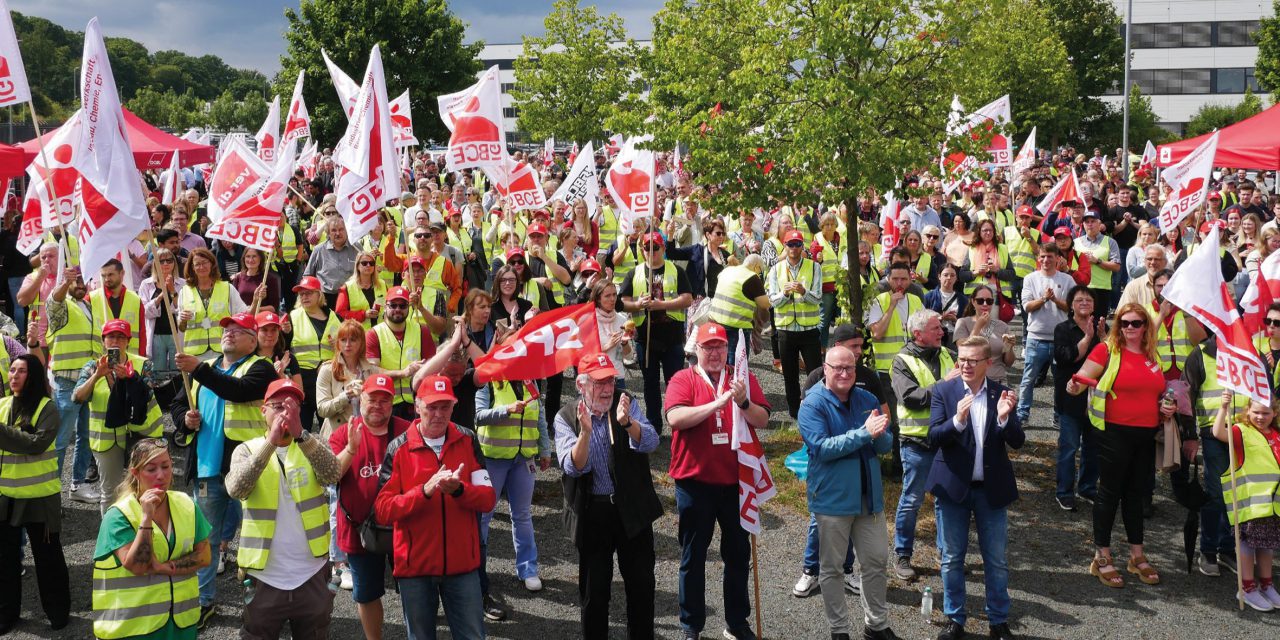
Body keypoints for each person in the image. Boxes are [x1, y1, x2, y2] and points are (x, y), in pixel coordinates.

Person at [664, 322, 770, 640]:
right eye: (707, 347)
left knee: (737, 555)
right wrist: (716, 404)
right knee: (693, 555)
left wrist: (742, 403)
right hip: (694, 482)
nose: (714, 353)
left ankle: (736, 622)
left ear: (728, 349)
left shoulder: (742, 378)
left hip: (735, 483)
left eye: (719, 347)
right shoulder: (683, 378)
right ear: (696, 350)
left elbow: (763, 419)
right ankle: (691, 625)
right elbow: (675, 418)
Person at [172, 312, 277, 627]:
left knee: (257, 541)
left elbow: (240, 390)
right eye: (226, 329)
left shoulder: (261, 368)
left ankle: (264, 605)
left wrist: (200, 369)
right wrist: (184, 420)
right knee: (205, 542)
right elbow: (177, 405)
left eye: (238, 329)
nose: (229, 333)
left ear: (253, 339)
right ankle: (204, 603)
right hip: (207, 469)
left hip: (250, 472)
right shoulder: (205, 369)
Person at [374, 374, 496, 640]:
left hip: (463, 567)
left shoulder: (467, 440)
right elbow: (382, 510)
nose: (439, 414)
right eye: (432, 407)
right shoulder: (399, 448)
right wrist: (425, 491)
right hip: (415, 569)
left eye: (445, 406)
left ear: (454, 406)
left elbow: (488, 499)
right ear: (417, 406)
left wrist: (460, 490)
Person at [554, 353, 662, 640]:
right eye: (599, 382)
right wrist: (585, 434)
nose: (607, 389)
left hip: (631, 508)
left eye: (610, 380)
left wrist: (628, 424)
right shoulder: (566, 416)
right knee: (595, 594)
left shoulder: (626, 402)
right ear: (581, 384)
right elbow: (573, 467)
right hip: (593, 514)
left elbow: (651, 441)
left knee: (641, 587)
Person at [797, 345, 901, 640]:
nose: (844, 373)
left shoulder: (866, 398)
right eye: (838, 368)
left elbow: (882, 446)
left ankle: (876, 625)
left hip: (869, 499)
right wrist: (865, 433)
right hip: (832, 501)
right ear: (824, 369)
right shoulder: (812, 404)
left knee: (876, 562)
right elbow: (822, 448)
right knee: (831, 569)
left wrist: (881, 435)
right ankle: (839, 630)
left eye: (850, 368)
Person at [1066, 302, 1172, 588]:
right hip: (1114, 433)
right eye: (1124, 323)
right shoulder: (1107, 350)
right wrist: (1075, 385)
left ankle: (1136, 555)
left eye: (1136, 323)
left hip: (1146, 433)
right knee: (1110, 493)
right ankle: (1102, 556)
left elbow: (1157, 391)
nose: (1129, 328)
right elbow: (1079, 380)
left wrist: (1166, 406)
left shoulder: (1152, 354)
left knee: (1136, 494)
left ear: (1145, 327)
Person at [226, 378, 341, 638]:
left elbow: (333, 474)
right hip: (264, 576)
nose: (284, 412)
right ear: (263, 411)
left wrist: (302, 435)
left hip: (311, 572)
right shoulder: (246, 450)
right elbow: (236, 488)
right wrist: (270, 444)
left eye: (292, 405)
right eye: (277, 406)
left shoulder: (311, 445)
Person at [927, 337, 1022, 640]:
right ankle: (955, 620)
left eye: (972, 360)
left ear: (987, 364)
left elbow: (1018, 441)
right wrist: (957, 420)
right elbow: (933, 437)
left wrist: (1005, 418)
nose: (965, 365)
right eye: (961, 359)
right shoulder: (945, 390)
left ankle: (998, 621)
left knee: (995, 560)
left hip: (990, 490)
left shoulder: (1000, 394)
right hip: (954, 489)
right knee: (953, 557)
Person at [91, 439, 210, 640]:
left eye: (166, 466)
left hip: (180, 623)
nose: (161, 475)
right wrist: (146, 518)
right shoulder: (119, 515)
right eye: (151, 469)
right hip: (134, 628)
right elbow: (138, 566)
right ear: (135, 473)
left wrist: (165, 567)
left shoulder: (186, 505)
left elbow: (205, 556)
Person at [330, 375, 413, 640]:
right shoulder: (343, 433)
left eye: (384, 400)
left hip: (404, 528)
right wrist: (351, 449)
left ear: (392, 402)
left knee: (414, 589)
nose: (378, 405)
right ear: (360, 399)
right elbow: (331, 476)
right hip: (359, 531)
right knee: (367, 594)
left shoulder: (408, 430)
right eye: (372, 399)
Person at [0, 354, 69, 634]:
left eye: (21, 371)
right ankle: (6, 614)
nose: (14, 375)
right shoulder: (3, 404)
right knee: (4, 561)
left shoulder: (47, 407)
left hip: (40, 497)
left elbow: (36, 444)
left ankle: (58, 613)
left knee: (48, 559)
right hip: (6, 495)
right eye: (12, 370)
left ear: (35, 376)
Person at [889, 309, 956, 580]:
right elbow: (910, 397)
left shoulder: (946, 354)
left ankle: (944, 553)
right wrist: (944, 385)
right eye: (935, 328)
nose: (942, 332)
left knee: (945, 499)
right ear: (918, 334)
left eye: (941, 328)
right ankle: (902, 554)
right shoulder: (902, 360)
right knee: (912, 500)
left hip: (945, 439)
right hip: (916, 442)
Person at [73, 320, 164, 512]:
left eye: (121, 337)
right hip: (107, 439)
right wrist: (97, 375)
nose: (116, 341)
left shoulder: (143, 364)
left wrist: (131, 379)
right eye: (111, 336)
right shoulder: (92, 367)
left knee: (144, 489)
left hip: (141, 436)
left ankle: (145, 534)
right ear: (103, 341)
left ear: (128, 341)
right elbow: (77, 397)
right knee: (110, 494)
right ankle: (112, 540)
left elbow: (149, 394)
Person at [474, 373, 552, 593]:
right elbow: (478, 416)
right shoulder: (487, 381)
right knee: (484, 515)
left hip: (523, 458)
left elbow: (539, 418)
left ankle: (528, 569)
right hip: (493, 458)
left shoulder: (530, 380)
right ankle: (477, 570)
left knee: (522, 514)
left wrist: (544, 449)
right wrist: (506, 410)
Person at [1211, 393, 1280, 611]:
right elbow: (1218, 432)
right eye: (1256, 412)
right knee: (1248, 545)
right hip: (1250, 503)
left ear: (1275, 413)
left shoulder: (1277, 434)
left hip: (1272, 505)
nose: (1260, 417)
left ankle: (1267, 585)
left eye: (1266, 413)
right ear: (1247, 411)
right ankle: (1247, 588)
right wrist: (1223, 407)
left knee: (1267, 546)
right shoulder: (1241, 431)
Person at [622, 232, 694, 432]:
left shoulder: (676, 270)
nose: (651, 252)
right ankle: (654, 425)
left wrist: (662, 304)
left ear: (663, 249)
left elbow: (687, 298)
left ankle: (678, 423)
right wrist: (637, 304)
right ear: (642, 251)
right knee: (650, 384)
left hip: (672, 339)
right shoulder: (634, 273)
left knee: (676, 382)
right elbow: (622, 302)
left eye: (656, 248)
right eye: (647, 248)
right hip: (645, 340)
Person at [45, 266, 102, 504]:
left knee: (86, 436)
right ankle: (50, 493)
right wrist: (64, 284)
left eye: (82, 282)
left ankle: (77, 485)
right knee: (60, 441)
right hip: (68, 382)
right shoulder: (62, 305)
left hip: (90, 381)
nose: (79, 285)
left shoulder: (88, 306)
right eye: (75, 282)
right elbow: (54, 300)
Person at [1052, 287, 1104, 512]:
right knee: (1069, 447)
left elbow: (1111, 359)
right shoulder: (1062, 329)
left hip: (1095, 400)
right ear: (1071, 304)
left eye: (1088, 300)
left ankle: (1087, 487)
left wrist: (1103, 338)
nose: (1084, 303)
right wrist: (1089, 339)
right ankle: (1064, 492)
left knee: (1093, 448)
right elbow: (1066, 357)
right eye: (1079, 299)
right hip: (1070, 398)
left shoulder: (1103, 328)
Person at [1015, 244, 1075, 424]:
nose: (1046, 260)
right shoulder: (1030, 279)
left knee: (1061, 382)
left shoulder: (1067, 280)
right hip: (1036, 338)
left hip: (1060, 340)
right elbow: (1026, 307)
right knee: (1028, 379)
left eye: (1050, 256)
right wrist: (1043, 299)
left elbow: (1072, 308)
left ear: (1058, 258)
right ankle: (1022, 414)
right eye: (1042, 257)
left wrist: (1055, 299)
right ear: (1038, 258)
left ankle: (1058, 416)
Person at [768, 228, 823, 419]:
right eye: (790, 244)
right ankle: (795, 414)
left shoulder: (815, 267)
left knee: (815, 375)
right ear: (785, 246)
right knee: (789, 377)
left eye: (797, 244)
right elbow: (772, 301)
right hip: (785, 330)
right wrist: (784, 294)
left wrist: (803, 292)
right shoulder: (775, 269)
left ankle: (816, 411)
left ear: (802, 246)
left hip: (809, 330)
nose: (794, 248)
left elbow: (817, 299)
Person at [366, 286, 436, 421]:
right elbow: (371, 371)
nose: (397, 309)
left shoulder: (422, 331)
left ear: (409, 308)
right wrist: (403, 373)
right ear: (385, 307)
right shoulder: (374, 334)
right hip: (386, 403)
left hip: (415, 404)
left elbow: (432, 367)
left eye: (403, 305)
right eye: (393, 305)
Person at [285, 276, 342, 431]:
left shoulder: (335, 317)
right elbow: (283, 348)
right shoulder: (292, 317)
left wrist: (339, 346)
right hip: (302, 379)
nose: (304, 297)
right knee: (302, 430)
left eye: (309, 293)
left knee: (331, 429)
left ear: (319, 295)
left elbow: (348, 349)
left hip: (328, 379)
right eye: (301, 294)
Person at [178, 248, 248, 362]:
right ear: (192, 267)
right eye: (197, 264)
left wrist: (255, 301)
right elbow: (181, 328)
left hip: (223, 351)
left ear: (212, 264)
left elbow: (242, 315)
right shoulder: (184, 292)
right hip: (195, 355)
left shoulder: (227, 288)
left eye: (205, 263)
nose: (201, 267)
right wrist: (182, 320)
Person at [953, 285, 1015, 384]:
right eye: (980, 301)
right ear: (973, 302)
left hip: (997, 380)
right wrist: (978, 326)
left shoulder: (1002, 326)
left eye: (989, 301)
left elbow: (1008, 362)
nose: (985, 304)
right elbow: (964, 349)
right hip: (971, 381)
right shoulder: (963, 322)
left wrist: (1009, 347)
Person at [303, 213, 358, 310]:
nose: (338, 233)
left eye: (341, 229)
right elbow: (307, 275)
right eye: (333, 230)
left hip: (351, 297)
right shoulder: (319, 250)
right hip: (326, 299)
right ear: (328, 233)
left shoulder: (355, 248)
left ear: (346, 230)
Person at [335, 250, 387, 330]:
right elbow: (340, 314)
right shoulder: (347, 287)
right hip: (358, 335)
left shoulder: (382, 284)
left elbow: (389, 306)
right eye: (364, 263)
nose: (368, 265)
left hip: (381, 333)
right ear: (358, 266)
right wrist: (364, 314)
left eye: (371, 263)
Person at [229, 248, 280, 313]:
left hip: (261, 320)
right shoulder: (238, 278)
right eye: (248, 256)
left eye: (254, 256)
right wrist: (248, 310)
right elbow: (233, 304)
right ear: (244, 258)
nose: (250, 260)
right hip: (242, 319)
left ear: (260, 258)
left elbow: (274, 308)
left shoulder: (270, 279)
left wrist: (253, 309)